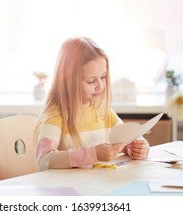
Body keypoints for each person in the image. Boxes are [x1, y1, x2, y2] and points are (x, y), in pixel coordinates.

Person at [35, 37, 149, 171]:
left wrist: (137, 148)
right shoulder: (56, 115)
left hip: (97, 185)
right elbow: (43, 160)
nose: (100, 86)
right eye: (91, 81)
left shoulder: (103, 111)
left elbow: (126, 141)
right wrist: (93, 154)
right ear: (69, 81)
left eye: (103, 77)